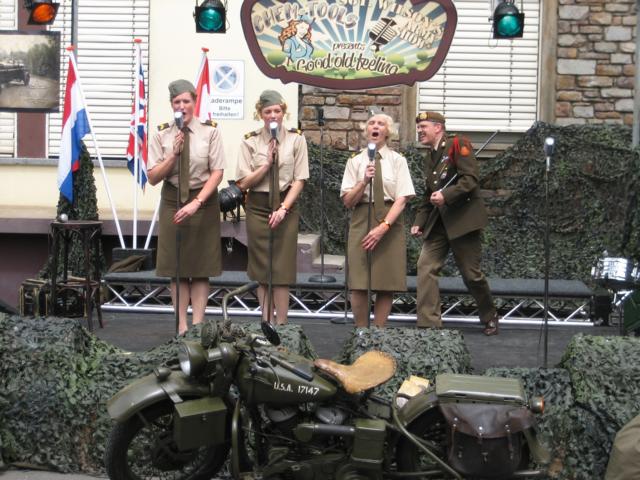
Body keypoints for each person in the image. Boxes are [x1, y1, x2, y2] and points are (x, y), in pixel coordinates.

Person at [147, 79, 225, 335]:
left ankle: (198, 324)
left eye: (186, 101)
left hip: (203, 200)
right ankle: (181, 325)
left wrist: (197, 202)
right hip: (172, 201)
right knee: (177, 267)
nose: (182, 106)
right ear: (172, 105)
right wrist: (173, 155)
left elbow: (217, 172)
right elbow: (153, 177)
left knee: (201, 268)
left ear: (194, 102)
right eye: (177, 102)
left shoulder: (210, 131)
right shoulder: (162, 134)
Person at [411, 111, 499, 335]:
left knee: (471, 275)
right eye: (419, 127)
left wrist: (446, 195)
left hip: (462, 221)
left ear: (438, 127)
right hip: (438, 223)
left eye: (424, 127)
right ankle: (429, 324)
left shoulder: (458, 144)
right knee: (425, 267)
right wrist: (419, 221)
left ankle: (489, 316)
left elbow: (470, 179)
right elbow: (428, 195)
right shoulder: (430, 157)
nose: (419, 131)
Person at [236, 90, 309, 325]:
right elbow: (243, 183)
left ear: (283, 112)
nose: (273, 115)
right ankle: (266, 323)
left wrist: (284, 208)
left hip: (286, 205)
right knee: (262, 269)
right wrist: (266, 164)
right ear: (261, 114)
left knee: (281, 269)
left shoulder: (296, 139)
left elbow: (300, 179)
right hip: (258, 207)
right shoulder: (250, 141)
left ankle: (283, 325)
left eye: (277, 110)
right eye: (268, 111)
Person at [340, 112, 415, 327]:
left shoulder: (398, 160)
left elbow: (402, 198)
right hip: (361, 219)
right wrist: (363, 181)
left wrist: (384, 226)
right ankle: (361, 333)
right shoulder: (355, 161)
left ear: (387, 132)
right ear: (366, 131)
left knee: (385, 281)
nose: (375, 126)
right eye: (371, 123)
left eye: (381, 124)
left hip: (390, 220)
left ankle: (379, 333)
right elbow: (347, 201)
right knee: (359, 282)